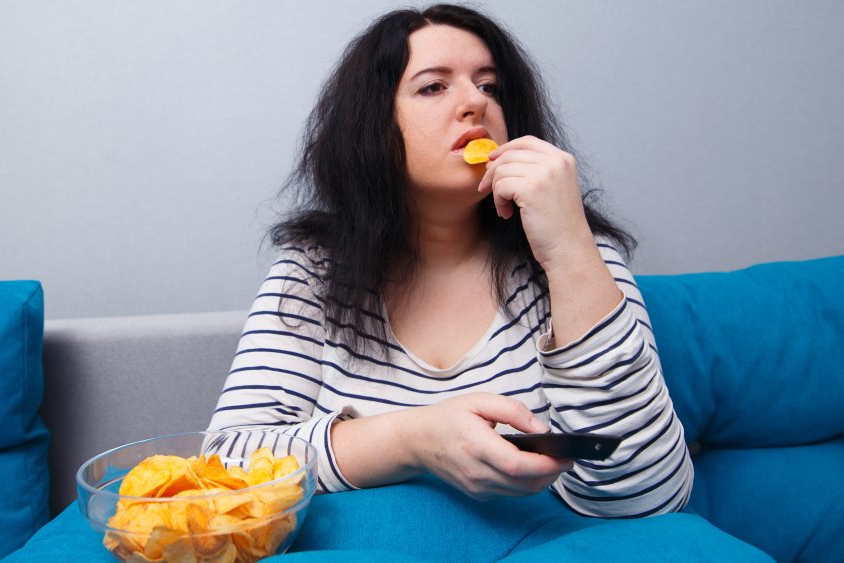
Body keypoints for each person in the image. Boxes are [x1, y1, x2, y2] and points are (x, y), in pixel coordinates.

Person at [208, 3, 693, 518]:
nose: (474, 104)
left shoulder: (579, 251)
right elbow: (225, 472)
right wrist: (415, 440)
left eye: (490, 87)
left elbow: (650, 493)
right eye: (434, 87)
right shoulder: (312, 269)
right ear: (373, 127)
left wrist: (571, 249)